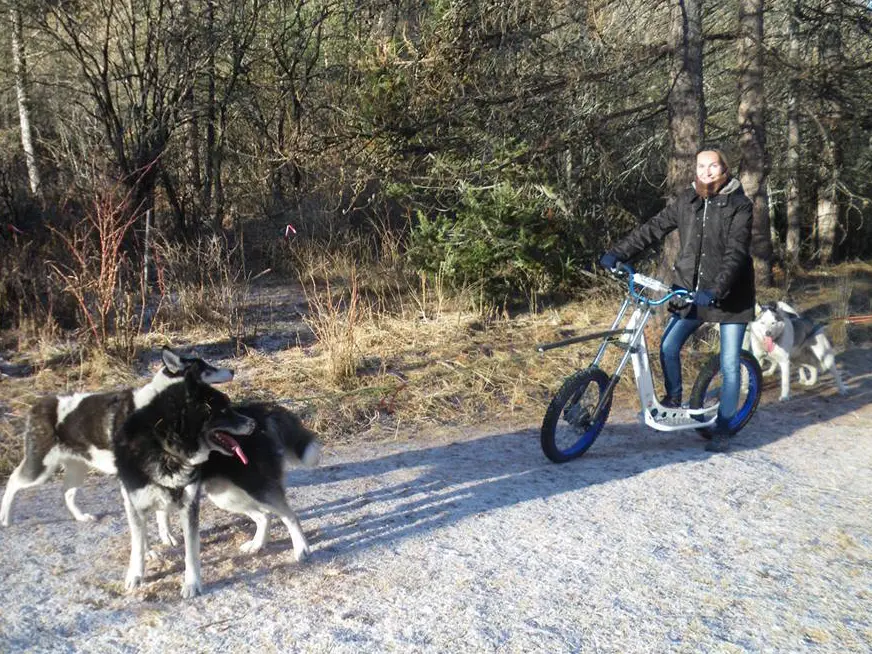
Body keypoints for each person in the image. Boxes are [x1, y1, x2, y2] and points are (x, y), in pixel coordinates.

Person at [598, 146, 755, 453]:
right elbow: (653, 228)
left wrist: (716, 290)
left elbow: (736, 254)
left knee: (730, 363)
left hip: (729, 295)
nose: (706, 172)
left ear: (725, 169)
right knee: (668, 346)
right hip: (690, 292)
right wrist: (619, 252)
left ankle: (723, 427)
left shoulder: (740, 205)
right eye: (700, 166)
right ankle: (673, 400)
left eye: (712, 166)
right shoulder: (687, 201)